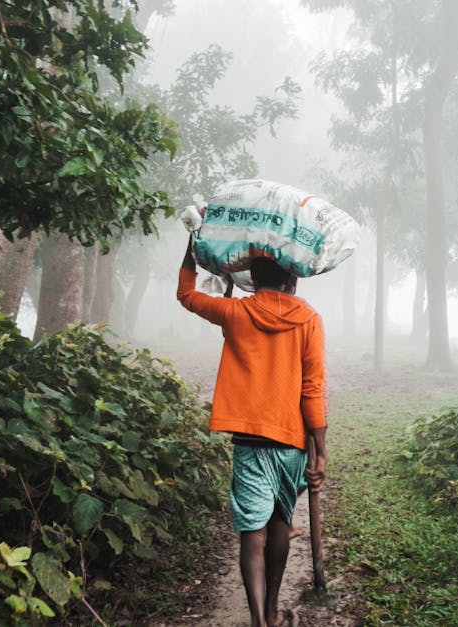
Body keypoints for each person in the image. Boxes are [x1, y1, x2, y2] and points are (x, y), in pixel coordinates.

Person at [177, 238, 328, 627]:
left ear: (253, 279)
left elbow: (187, 295)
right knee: (280, 522)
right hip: (291, 440)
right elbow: (312, 388)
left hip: (248, 439)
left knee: (252, 531)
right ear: (291, 280)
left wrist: (191, 248)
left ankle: (259, 619)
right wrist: (320, 449)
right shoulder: (309, 319)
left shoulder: (236, 313)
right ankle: (273, 610)